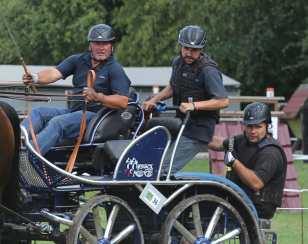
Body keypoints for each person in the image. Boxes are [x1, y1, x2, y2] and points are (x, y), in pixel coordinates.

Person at [21, 24, 131, 154]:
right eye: (97, 43)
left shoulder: (115, 69)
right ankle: (15, 146)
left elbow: (123, 101)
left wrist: (98, 97)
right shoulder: (78, 60)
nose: (101, 48)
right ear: (90, 45)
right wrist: (34, 78)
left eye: (105, 44)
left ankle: (28, 156)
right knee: (39, 112)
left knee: (58, 123)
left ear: (112, 46)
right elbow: (53, 73)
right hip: (73, 113)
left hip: (95, 118)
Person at [141, 25, 229, 176]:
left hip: (197, 131)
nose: (189, 53)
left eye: (194, 50)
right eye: (186, 48)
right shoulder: (178, 62)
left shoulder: (208, 70)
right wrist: (154, 100)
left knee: (162, 169)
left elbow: (223, 101)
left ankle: (162, 198)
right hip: (180, 125)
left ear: (201, 49)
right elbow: (172, 86)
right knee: (149, 161)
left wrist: (194, 105)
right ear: (180, 45)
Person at [208, 103, 286, 226]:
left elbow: (256, 183)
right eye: (249, 126)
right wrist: (197, 139)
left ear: (268, 126)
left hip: (257, 206)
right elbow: (219, 143)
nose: (253, 131)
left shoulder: (271, 153)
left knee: (205, 212)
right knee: (203, 202)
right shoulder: (243, 140)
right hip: (240, 200)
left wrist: (234, 162)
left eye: (258, 127)